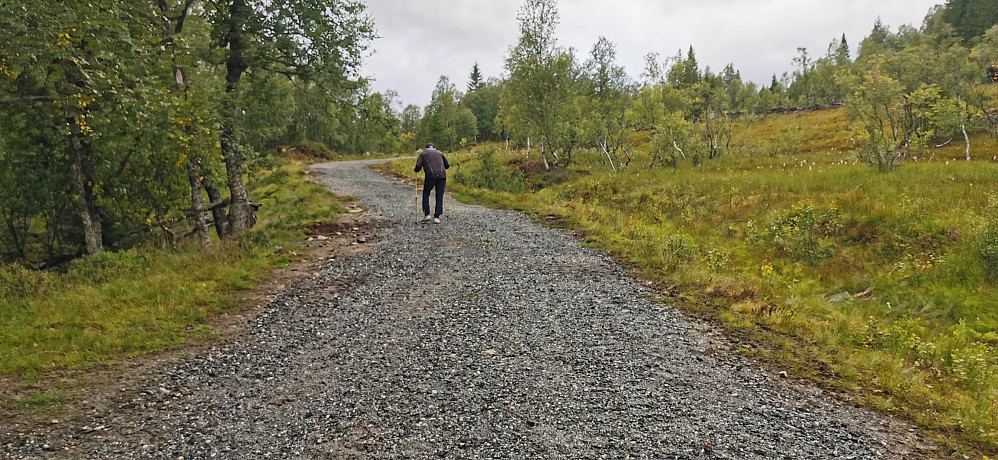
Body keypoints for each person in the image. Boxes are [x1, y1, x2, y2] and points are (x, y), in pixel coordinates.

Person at [414, 142, 449, 223]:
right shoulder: (440, 153)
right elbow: (447, 166)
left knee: (426, 193)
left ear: (426, 148)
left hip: (430, 176)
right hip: (442, 176)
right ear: (434, 148)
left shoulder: (423, 154)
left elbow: (418, 166)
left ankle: (427, 215)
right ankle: (437, 217)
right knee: (439, 195)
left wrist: (416, 170)